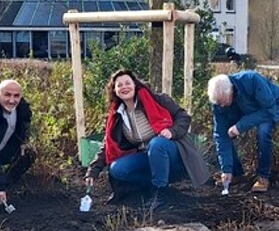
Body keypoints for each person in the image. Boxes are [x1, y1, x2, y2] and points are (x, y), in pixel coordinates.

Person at [85, 70, 210, 209]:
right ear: (114, 90)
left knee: (156, 144)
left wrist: (172, 131)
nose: (124, 87)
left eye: (128, 83)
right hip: (146, 155)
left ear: (135, 84)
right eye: (119, 85)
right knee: (117, 169)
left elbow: (183, 117)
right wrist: (93, 171)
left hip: (172, 152)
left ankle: (160, 193)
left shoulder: (157, 99)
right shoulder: (117, 115)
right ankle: (150, 186)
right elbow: (107, 144)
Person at [207, 71, 279, 193]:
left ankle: (263, 177)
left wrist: (240, 126)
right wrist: (226, 169)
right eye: (219, 103)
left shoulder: (252, 80)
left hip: (273, 105)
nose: (222, 106)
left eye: (224, 102)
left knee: (263, 131)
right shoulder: (220, 103)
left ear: (231, 91)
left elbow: (268, 110)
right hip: (247, 109)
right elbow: (221, 135)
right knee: (226, 133)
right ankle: (235, 174)